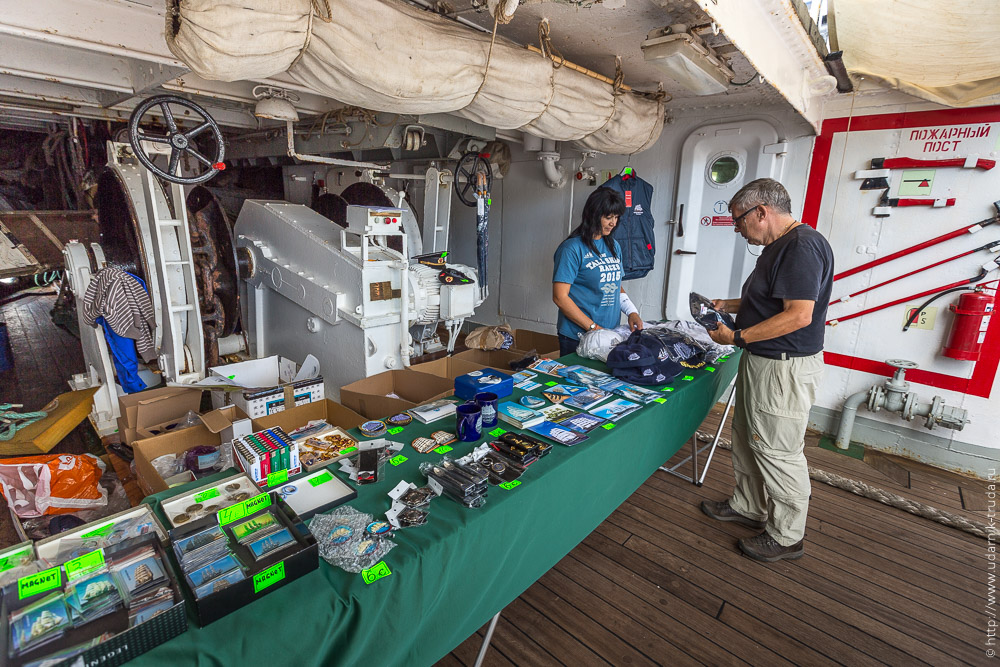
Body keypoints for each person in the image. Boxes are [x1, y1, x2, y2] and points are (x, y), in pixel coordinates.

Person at [700, 178, 833, 563]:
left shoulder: (801, 247)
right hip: (764, 362)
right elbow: (773, 301)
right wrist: (728, 304)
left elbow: (798, 315)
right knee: (748, 438)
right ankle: (749, 506)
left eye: (738, 220)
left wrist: (737, 336)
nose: (737, 229)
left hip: (782, 368)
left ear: (761, 212)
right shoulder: (783, 246)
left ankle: (787, 536)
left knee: (778, 451)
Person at [552, 188, 643, 357]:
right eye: (608, 217)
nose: (613, 223)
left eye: (616, 217)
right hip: (578, 335)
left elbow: (615, 284)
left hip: (609, 333)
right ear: (593, 215)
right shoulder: (571, 249)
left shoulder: (613, 246)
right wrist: (593, 328)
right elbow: (560, 297)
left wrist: (632, 311)